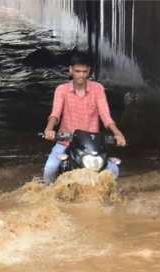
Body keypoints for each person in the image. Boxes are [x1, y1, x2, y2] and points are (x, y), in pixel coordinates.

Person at [42, 51, 127, 184]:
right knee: (50, 168)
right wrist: (49, 129)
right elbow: (55, 114)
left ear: (89, 72)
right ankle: (47, 196)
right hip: (66, 141)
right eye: (77, 71)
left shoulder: (97, 89)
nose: (81, 75)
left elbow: (106, 117)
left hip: (92, 145)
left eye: (84, 71)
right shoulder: (62, 90)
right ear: (70, 70)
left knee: (114, 170)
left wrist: (117, 133)